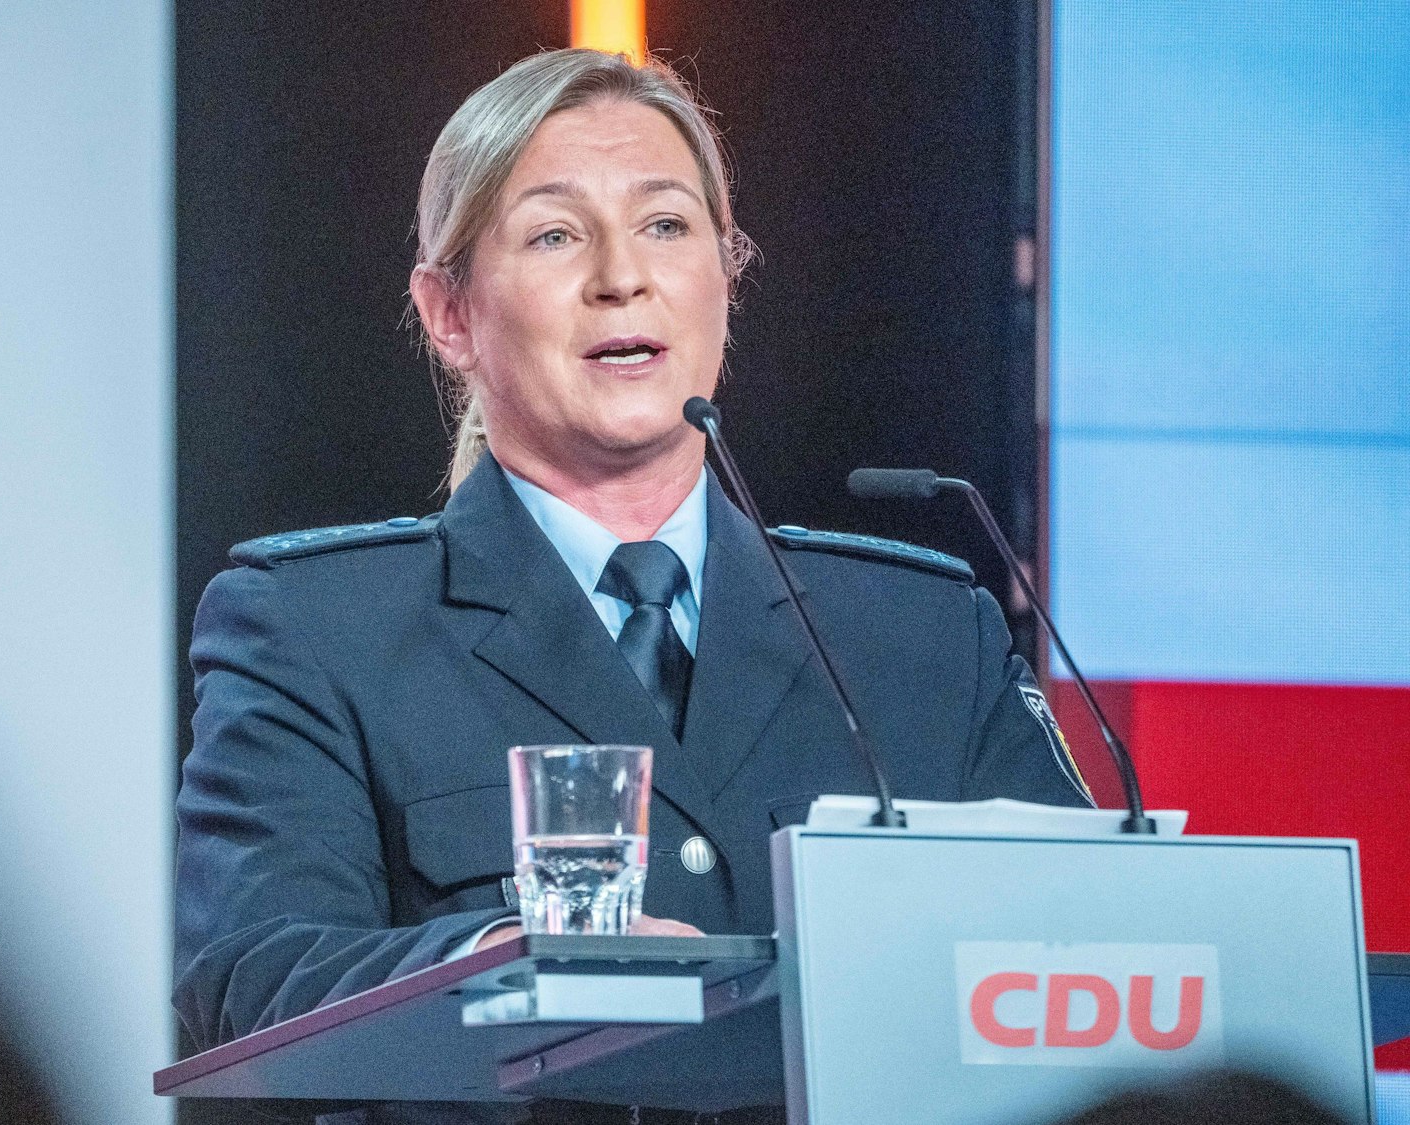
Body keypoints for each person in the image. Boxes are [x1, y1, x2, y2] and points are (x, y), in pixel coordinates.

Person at [173, 47, 1092, 1123]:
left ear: (725, 274)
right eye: (555, 233)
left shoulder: (924, 634)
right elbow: (250, 978)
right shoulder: (316, 629)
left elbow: (1103, 949)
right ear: (448, 314)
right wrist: (499, 960)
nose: (622, 274)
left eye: (664, 225)